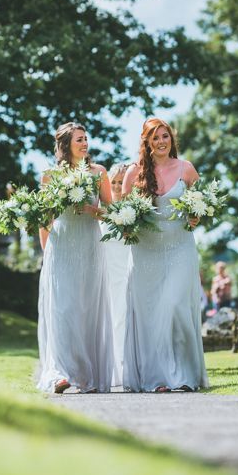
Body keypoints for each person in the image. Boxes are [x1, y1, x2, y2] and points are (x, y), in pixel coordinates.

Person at [121, 118, 209, 393]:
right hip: (146, 251)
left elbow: (202, 204)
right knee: (151, 314)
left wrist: (197, 216)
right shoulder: (134, 173)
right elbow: (122, 213)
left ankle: (183, 375)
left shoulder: (186, 169)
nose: (161, 142)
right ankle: (157, 378)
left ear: (172, 139)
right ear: (146, 143)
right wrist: (127, 227)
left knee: (174, 307)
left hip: (180, 247)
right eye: (155, 138)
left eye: (165, 136)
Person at [36, 122, 114, 394]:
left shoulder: (99, 173)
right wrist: (46, 254)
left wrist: (93, 209)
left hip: (90, 244)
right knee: (63, 308)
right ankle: (59, 374)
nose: (84, 143)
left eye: (85, 139)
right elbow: (44, 219)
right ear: (66, 144)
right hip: (62, 246)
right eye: (79, 139)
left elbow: (112, 212)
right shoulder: (50, 175)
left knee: (85, 309)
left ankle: (84, 376)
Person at [101, 162, 132, 386]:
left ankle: (128, 368)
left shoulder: (135, 212)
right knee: (110, 319)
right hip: (107, 274)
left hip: (129, 272)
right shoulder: (101, 212)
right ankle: (110, 368)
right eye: (114, 182)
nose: (118, 186)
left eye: (122, 182)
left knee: (126, 318)